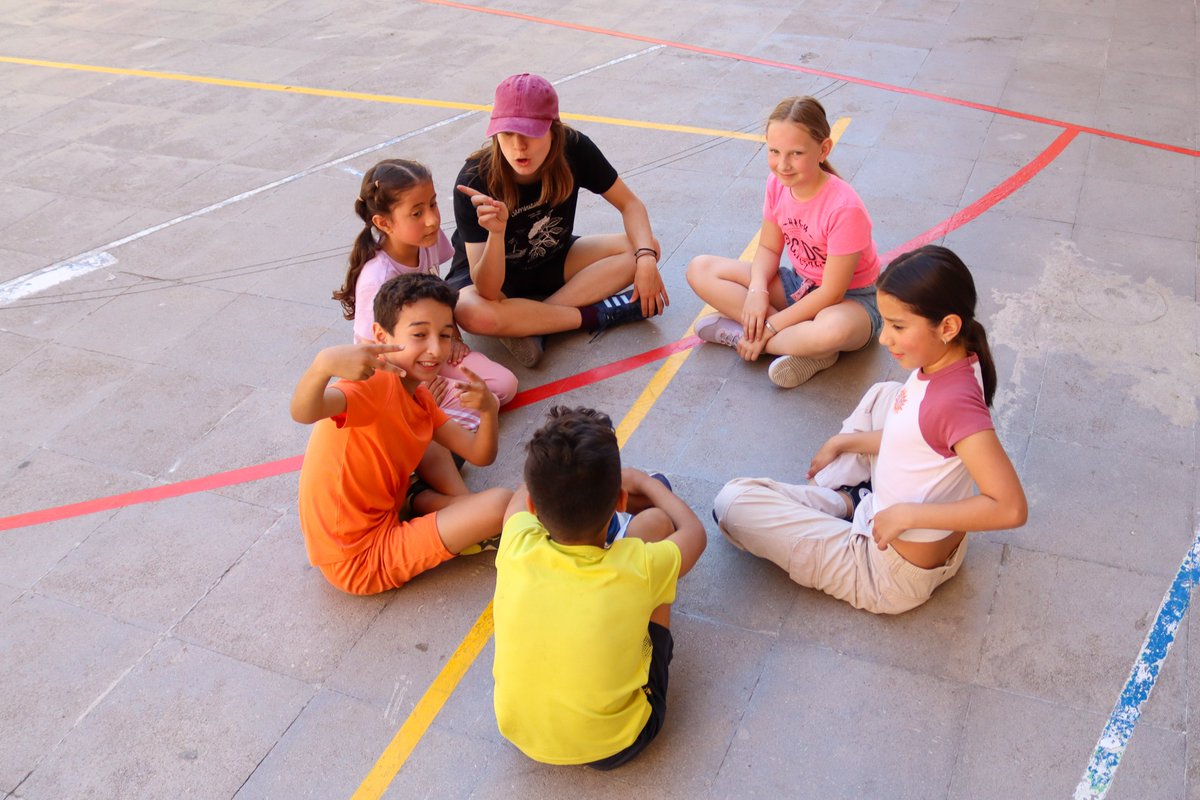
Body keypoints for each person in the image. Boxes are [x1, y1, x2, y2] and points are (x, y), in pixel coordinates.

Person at [713, 246, 1027, 614]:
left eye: (897, 326)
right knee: (886, 395)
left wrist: (909, 515)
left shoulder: (953, 404)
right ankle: (850, 499)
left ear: (948, 326)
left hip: (887, 572)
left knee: (732, 503)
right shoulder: (956, 360)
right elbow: (920, 441)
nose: (883, 338)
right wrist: (846, 441)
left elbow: (1010, 508)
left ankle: (843, 501)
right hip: (917, 540)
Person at [492, 406, 706, 768]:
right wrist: (647, 483)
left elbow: (521, 496)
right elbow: (695, 534)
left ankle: (597, 529)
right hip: (618, 743)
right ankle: (614, 529)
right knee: (655, 523)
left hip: (520, 733)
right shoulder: (638, 568)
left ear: (533, 506)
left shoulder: (515, 540)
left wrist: (561, 472)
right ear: (620, 499)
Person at [292, 273, 513, 596]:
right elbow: (303, 412)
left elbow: (480, 455)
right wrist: (322, 366)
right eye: (419, 334)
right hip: (360, 560)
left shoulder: (419, 396)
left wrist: (488, 412)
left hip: (385, 514)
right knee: (500, 504)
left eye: (445, 335)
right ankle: (458, 514)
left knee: (428, 434)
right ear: (381, 335)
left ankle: (442, 505)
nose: (436, 349)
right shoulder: (372, 385)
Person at [332, 159, 519, 510]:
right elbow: (371, 354)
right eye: (416, 213)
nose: (432, 219)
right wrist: (414, 389)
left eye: (432, 204)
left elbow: (437, 291)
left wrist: (453, 337)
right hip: (399, 376)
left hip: (432, 352)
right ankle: (428, 449)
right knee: (466, 412)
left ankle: (437, 441)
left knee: (503, 386)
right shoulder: (376, 277)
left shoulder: (427, 240)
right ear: (383, 223)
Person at [448, 73, 669, 368]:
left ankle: (534, 323)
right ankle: (596, 314)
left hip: (551, 258)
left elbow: (630, 204)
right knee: (470, 312)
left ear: (554, 128)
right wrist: (497, 233)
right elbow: (487, 290)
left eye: (529, 132)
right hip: (495, 277)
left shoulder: (574, 148)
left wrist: (645, 260)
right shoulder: (475, 178)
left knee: (646, 246)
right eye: (506, 134)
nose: (518, 146)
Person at [685, 95, 883, 388]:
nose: (783, 165)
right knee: (699, 269)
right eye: (774, 151)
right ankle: (806, 349)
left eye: (796, 154)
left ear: (823, 149)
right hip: (799, 286)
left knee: (830, 331)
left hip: (848, 302)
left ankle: (753, 338)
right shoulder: (777, 184)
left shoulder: (845, 208)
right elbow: (768, 248)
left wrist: (769, 326)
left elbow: (831, 292)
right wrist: (756, 291)